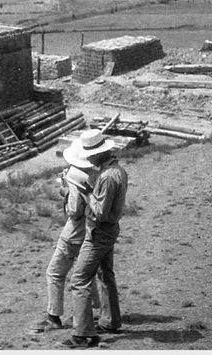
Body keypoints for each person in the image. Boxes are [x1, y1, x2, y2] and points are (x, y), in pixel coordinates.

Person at [58, 129, 128, 349]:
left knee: (79, 280)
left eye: (90, 154)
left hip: (98, 232)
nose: (87, 158)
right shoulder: (118, 171)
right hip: (108, 230)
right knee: (106, 275)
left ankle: (83, 334)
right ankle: (110, 321)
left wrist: (87, 191)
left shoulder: (107, 177)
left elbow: (99, 212)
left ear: (99, 154)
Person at [29, 135, 102, 334]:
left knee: (54, 272)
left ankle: (54, 316)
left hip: (73, 234)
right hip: (90, 233)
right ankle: (97, 309)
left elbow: (74, 210)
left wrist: (65, 188)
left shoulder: (73, 175)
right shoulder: (95, 174)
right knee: (87, 273)